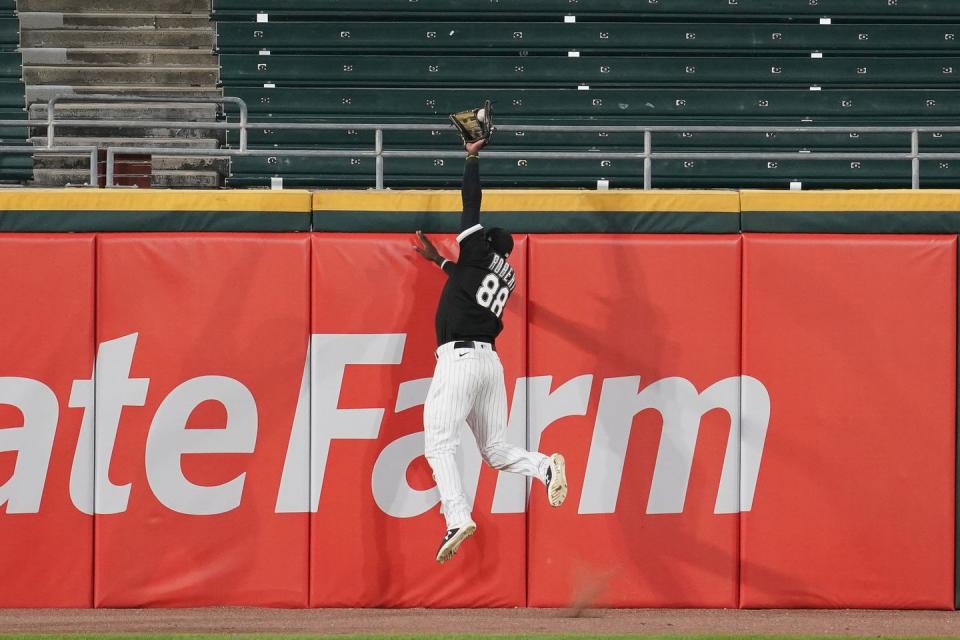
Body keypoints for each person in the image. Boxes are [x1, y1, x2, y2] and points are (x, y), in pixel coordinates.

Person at [413, 137, 567, 564]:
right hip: (489, 364)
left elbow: (470, 203)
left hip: (460, 361)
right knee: (495, 450)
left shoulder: (477, 251)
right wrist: (438, 263)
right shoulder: (504, 274)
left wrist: (472, 156)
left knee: (439, 444)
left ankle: (457, 516)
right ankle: (544, 466)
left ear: (483, 244)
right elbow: (464, 279)